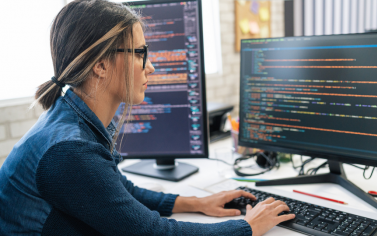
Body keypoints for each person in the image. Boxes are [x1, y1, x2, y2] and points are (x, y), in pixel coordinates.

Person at [0, 0, 295, 235]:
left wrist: (197, 203)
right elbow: (150, 231)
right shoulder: (69, 150)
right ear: (100, 65)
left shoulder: (74, 118)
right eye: (141, 52)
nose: (150, 66)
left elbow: (117, 191)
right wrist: (247, 228)